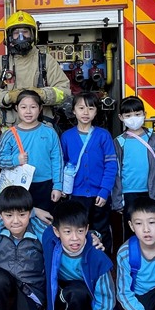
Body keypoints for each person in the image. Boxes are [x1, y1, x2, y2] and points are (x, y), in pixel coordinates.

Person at [44, 200, 120, 310]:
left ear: (86, 229)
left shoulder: (97, 257)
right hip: (65, 298)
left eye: (80, 231)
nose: (74, 238)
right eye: (67, 232)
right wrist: (35, 211)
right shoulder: (50, 240)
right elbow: (22, 222)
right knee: (76, 291)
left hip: (90, 302)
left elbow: (106, 297)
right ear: (57, 232)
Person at [0, 10, 69, 133]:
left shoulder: (46, 61)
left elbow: (64, 91)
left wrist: (42, 94)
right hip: (7, 131)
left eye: (25, 32)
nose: (21, 37)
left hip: (41, 131)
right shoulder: (1, 62)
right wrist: (7, 97)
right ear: (9, 36)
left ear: (34, 35)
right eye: (16, 33)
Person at [60, 92, 118, 253]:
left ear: (96, 111)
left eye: (91, 108)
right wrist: (63, 187)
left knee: (102, 229)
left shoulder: (103, 135)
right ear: (73, 111)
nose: (86, 112)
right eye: (81, 108)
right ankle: (81, 261)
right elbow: (62, 164)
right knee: (78, 229)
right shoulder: (66, 136)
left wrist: (105, 190)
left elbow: (111, 165)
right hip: (76, 194)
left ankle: (103, 261)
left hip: (99, 195)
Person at [0, 89, 63, 214]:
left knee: (46, 219)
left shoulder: (49, 132)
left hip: (45, 185)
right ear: (17, 108)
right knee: (21, 219)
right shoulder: (10, 134)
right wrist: (15, 160)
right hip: (19, 186)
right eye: (23, 107)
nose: (28, 111)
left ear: (40, 108)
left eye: (33, 107)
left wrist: (57, 186)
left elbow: (57, 160)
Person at [111, 96, 155, 222]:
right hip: (128, 194)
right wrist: (117, 200)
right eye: (128, 115)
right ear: (120, 117)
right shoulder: (119, 142)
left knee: (152, 225)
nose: (133, 118)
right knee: (132, 227)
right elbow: (116, 173)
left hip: (152, 192)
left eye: (137, 114)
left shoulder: (154, 139)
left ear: (144, 114)